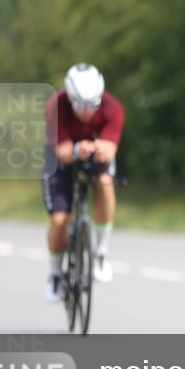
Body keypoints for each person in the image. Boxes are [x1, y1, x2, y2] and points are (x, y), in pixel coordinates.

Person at [42, 63, 124, 302]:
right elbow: (65, 152)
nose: (87, 111)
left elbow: (109, 150)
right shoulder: (56, 106)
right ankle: (56, 274)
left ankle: (101, 253)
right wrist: (78, 148)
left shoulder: (112, 108)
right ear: (69, 97)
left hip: (95, 155)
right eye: (79, 105)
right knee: (60, 220)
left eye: (92, 105)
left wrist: (99, 149)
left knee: (105, 182)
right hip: (60, 157)